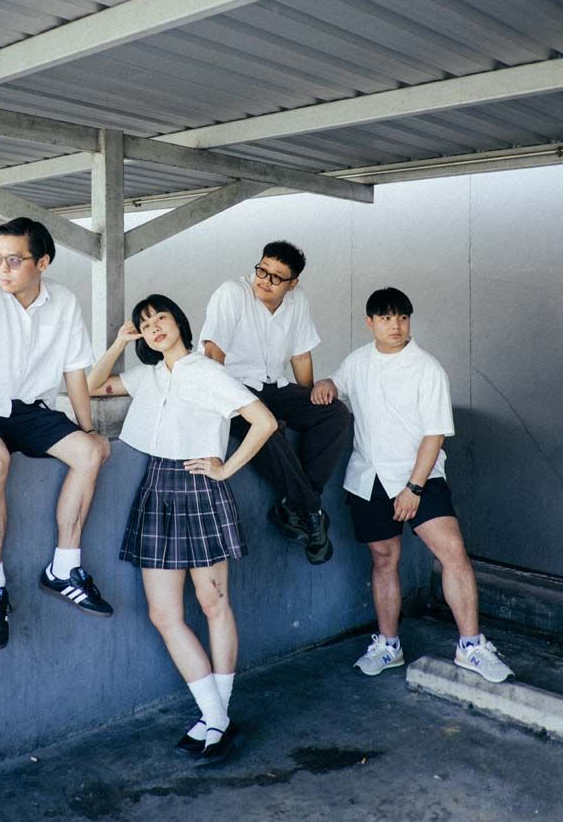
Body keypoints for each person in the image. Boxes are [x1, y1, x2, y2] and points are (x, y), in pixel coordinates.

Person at [88, 295, 277, 764]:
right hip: (157, 487)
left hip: (199, 485)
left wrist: (225, 469)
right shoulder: (147, 376)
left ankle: (216, 718)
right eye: (145, 323)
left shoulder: (207, 371)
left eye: (161, 317)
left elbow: (264, 421)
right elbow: (91, 386)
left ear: (179, 322)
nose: (154, 326)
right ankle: (216, 717)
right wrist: (119, 343)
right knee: (163, 614)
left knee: (213, 603)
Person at [0, 217, 112, 651]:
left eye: (14, 260)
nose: (2, 269)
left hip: (29, 410)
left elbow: (75, 373)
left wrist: (89, 430)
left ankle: (64, 567)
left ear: (42, 262)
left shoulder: (64, 302)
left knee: (91, 453)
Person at [312, 287, 513, 683]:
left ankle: (471, 646)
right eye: (386, 318)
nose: (396, 326)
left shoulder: (427, 368)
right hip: (369, 478)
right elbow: (336, 382)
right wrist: (326, 384)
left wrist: (414, 488)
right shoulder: (357, 361)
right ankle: (389, 646)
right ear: (370, 323)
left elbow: (434, 434)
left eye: (402, 318)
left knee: (453, 554)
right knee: (384, 559)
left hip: (419, 477)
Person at [199, 241, 351, 564]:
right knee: (267, 428)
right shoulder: (232, 293)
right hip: (234, 390)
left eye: (276, 277)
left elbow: (301, 355)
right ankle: (312, 512)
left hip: (275, 387)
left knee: (335, 413)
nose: (265, 280)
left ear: (293, 284)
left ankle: (296, 506)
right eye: (262, 270)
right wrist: (224, 406)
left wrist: (309, 405)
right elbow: (213, 354)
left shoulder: (298, 300)